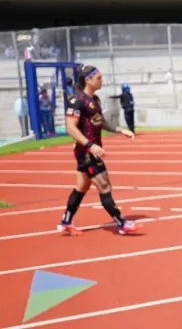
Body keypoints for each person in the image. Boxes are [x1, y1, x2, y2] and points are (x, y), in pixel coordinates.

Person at [57, 65, 140, 236]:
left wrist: (120, 130)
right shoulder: (77, 101)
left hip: (89, 150)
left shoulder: (95, 99)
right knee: (104, 185)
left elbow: (100, 121)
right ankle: (121, 223)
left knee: (81, 187)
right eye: (99, 78)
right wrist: (91, 145)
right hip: (86, 152)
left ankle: (66, 221)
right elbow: (71, 128)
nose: (101, 80)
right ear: (88, 79)